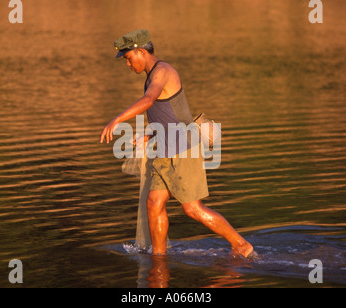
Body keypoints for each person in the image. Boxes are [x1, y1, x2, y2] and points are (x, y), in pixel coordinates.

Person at [100, 29, 255, 258]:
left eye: (128, 58)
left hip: (184, 150)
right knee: (154, 203)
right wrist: (150, 137)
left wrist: (116, 119)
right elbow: (174, 115)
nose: (128, 64)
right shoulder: (153, 73)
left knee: (192, 208)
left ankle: (241, 244)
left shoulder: (162, 71)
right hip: (166, 148)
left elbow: (148, 101)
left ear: (141, 51)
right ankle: (159, 257)